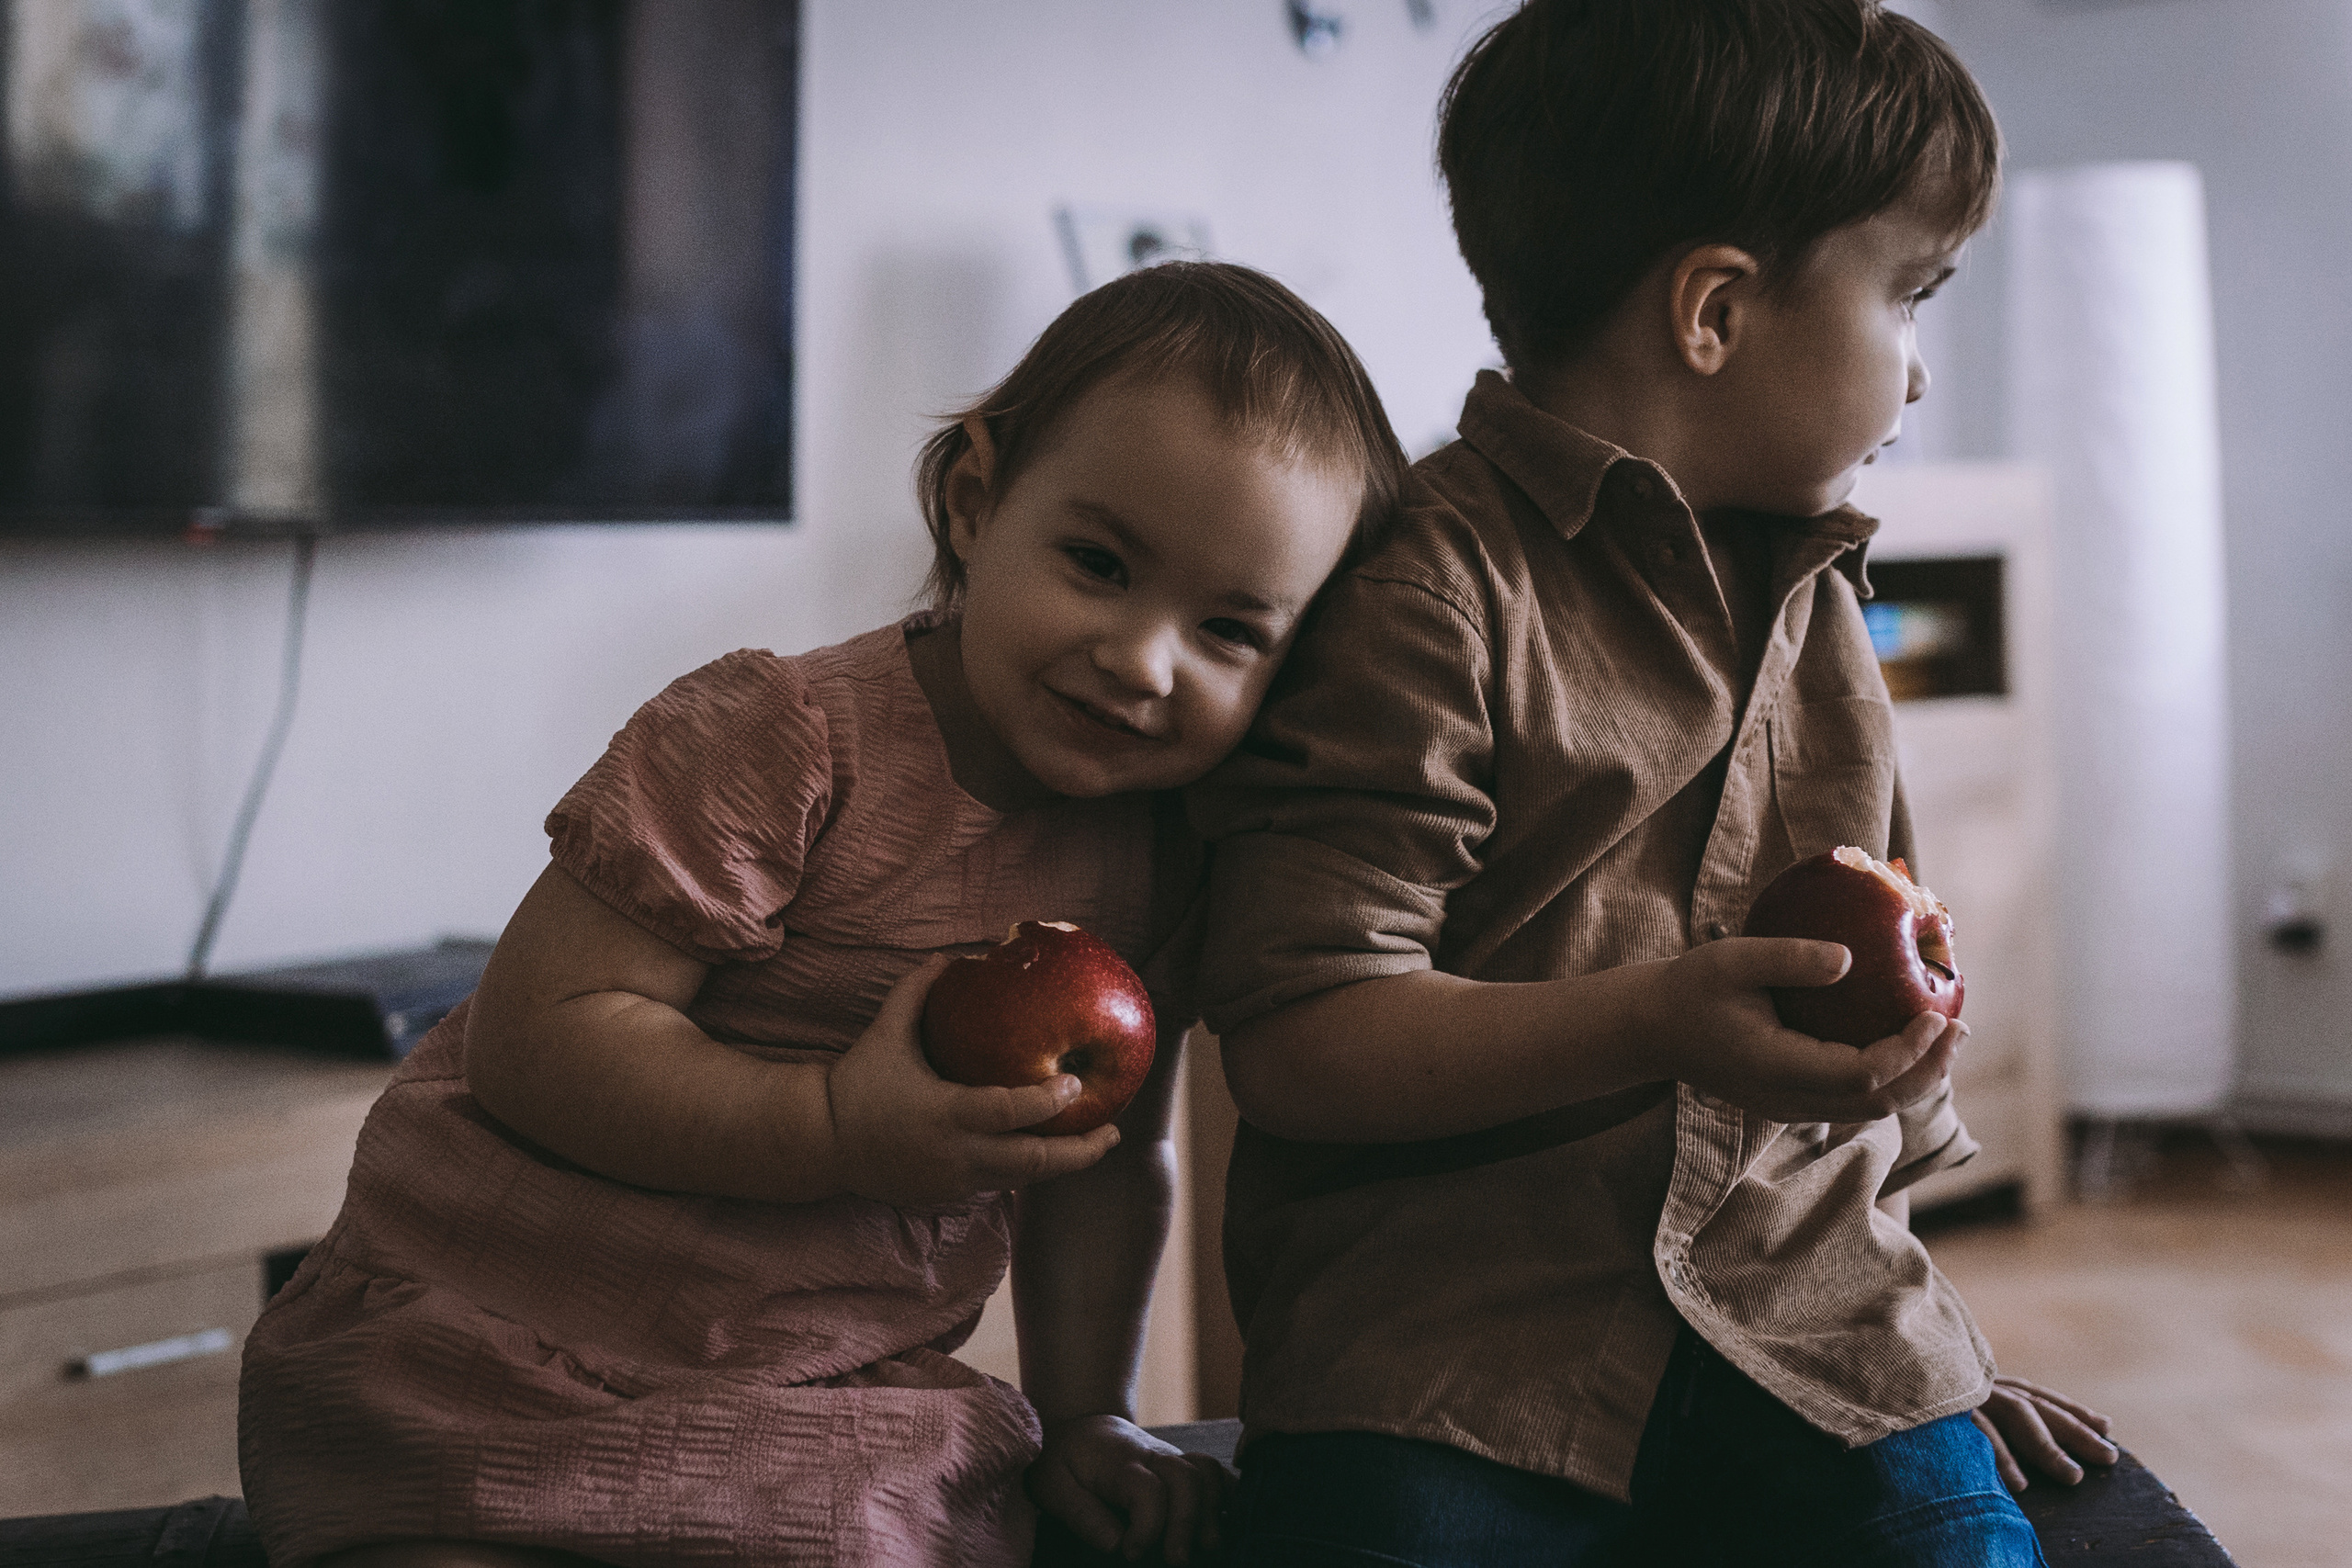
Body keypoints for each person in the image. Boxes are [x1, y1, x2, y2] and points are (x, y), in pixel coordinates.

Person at [238, 261, 1407, 1568]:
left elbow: (1103, 1163)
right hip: (494, 1346)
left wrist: (1091, 1417)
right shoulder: (784, 742)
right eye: (1098, 563)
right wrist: (837, 1124)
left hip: (801, 1405)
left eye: (1230, 633)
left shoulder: (1170, 862)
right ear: (977, 504)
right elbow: (540, 1035)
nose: (1144, 658)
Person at [1186, 5, 2118, 1563]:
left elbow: (1863, 1065)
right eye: (1909, 297)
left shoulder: (1824, 594)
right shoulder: (1430, 593)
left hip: (1806, 1325)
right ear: (1714, 312)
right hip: (1451, 1351)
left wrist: (1923, 1365)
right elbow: (1300, 1040)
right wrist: (1658, 1017)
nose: (1921, 373)